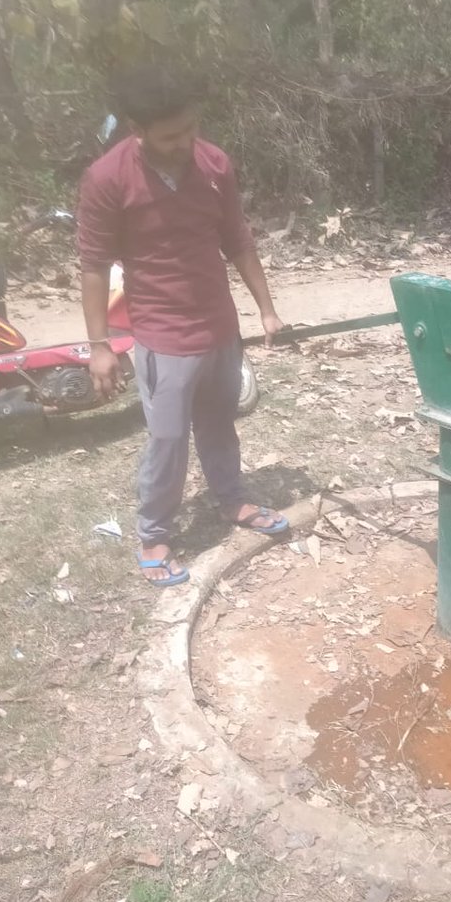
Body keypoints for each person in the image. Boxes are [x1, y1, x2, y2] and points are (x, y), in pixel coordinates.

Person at [78, 66, 289, 587]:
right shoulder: (107, 179)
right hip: (162, 334)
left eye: (191, 128)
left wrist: (265, 308)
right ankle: (154, 534)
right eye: (171, 135)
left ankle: (233, 501)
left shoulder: (214, 163)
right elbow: (93, 266)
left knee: (219, 422)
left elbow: (237, 239)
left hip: (218, 326)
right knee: (168, 439)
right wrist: (99, 344)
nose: (185, 142)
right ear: (137, 128)